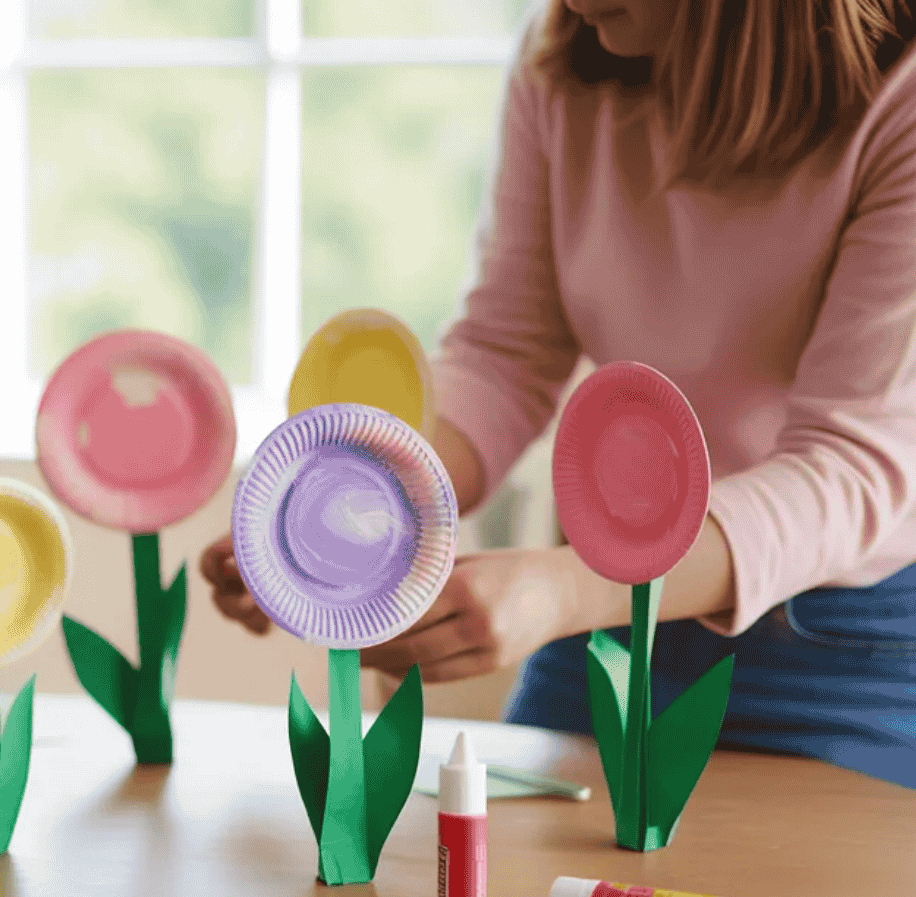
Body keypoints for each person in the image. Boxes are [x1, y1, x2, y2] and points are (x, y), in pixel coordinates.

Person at [204, 0, 916, 789]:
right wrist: (353, 506)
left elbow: (848, 464)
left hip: (843, 643)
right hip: (605, 613)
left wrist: (570, 587)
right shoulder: (559, 58)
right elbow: (507, 351)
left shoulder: (902, 97)